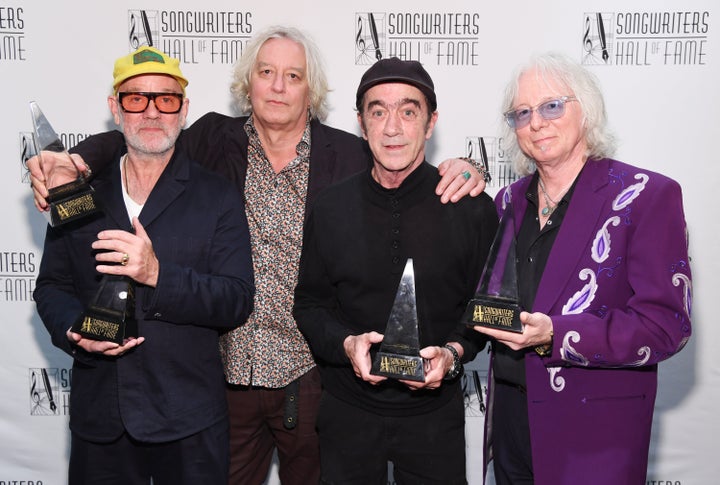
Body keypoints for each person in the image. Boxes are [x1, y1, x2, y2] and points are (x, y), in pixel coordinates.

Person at [26, 27, 488, 485]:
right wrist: (77, 160)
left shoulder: (350, 153)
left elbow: (405, 162)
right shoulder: (210, 137)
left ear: (312, 91)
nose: (279, 86)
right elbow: (145, 131)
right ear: (249, 83)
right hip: (228, 378)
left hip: (314, 376)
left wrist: (467, 167)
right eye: (266, 72)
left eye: (293, 75)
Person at [33, 46, 255, 483]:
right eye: (136, 98)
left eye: (166, 99)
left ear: (183, 110)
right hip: (100, 419)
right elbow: (51, 285)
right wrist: (76, 332)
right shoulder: (79, 194)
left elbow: (236, 299)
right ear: (115, 109)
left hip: (189, 421)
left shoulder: (217, 196)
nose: (151, 112)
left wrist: (157, 275)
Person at [470, 52, 692, 484]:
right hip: (513, 424)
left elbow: (666, 326)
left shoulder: (646, 196)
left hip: (594, 433)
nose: (536, 122)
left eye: (552, 106)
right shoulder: (507, 202)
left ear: (586, 110)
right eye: (521, 113)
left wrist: (556, 333)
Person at [292, 57, 499, 484]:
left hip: (434, 419)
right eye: (378, 111)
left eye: (408, 111)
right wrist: (346, 343)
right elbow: (309, 304)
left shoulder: (470, 207)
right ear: (361, 123)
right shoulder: (330, 207)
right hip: (347, 414)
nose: (392, 127)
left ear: (430, 122)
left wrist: (454, 354)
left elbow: (486, 307)